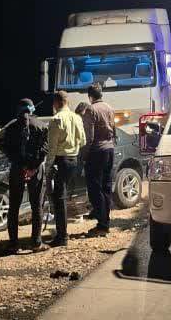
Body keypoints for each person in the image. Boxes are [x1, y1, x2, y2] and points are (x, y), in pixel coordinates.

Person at [0, 98, 50, 252]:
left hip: (17, 170)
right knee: (37, 206)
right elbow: (45, 149)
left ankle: (13, 244)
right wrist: (33, 168)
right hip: (36, 171)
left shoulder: (11, 127)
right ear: (32, 109)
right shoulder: (41, 126)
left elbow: (7, 150)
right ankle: (36, 242)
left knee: (14, 206)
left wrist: (21, 167)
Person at [44, 90, 85, 247]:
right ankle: (62, 234)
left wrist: (48, 166)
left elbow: (52, 148)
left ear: (56, 103)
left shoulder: (56, 119)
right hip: (73, 160)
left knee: (59, 198)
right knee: (63, 196)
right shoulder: (77, 118)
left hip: (60, 161)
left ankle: (62, 236)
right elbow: (83, 141)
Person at [81, 83, 115, 234]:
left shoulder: (91, 109)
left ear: (90, 96)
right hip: (110, 149)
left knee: (95, 188)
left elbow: (89, 137)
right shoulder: (109, 107)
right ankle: (105, 220)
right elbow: (113, 128)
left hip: (96, 151)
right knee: (106, 186)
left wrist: (84, 155)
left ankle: (102, 225)